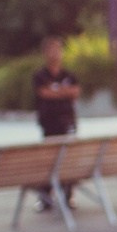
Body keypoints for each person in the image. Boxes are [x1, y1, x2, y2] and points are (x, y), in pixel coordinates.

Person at [32, 36, 80, 211]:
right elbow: (44, 93)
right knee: (49, 160)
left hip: (67, 122)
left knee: (68, 159)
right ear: (45, 53)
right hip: (49, 123)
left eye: (58, 49)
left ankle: (68, 196)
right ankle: (45, 197)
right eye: (52, 49)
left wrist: (57, 90)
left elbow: (75, 92)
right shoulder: (40, 75)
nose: (56, 53)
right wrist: (63, 92)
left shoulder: (68, 74)